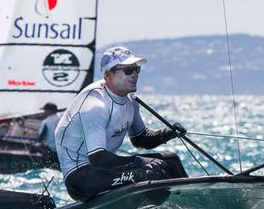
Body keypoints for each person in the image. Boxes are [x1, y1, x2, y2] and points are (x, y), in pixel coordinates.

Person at [54, 46, 188, 201]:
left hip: (104, 169)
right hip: (80, 177)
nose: (135, 74)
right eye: (128, 71)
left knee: (170, 161)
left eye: (136, 69)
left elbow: (141, 138)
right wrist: (140, 161)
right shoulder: (95, 107)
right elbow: (98, 158)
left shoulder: (130, 99)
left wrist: (168, 133)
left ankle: (195, 205)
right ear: (107, 75)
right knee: (150, 173)